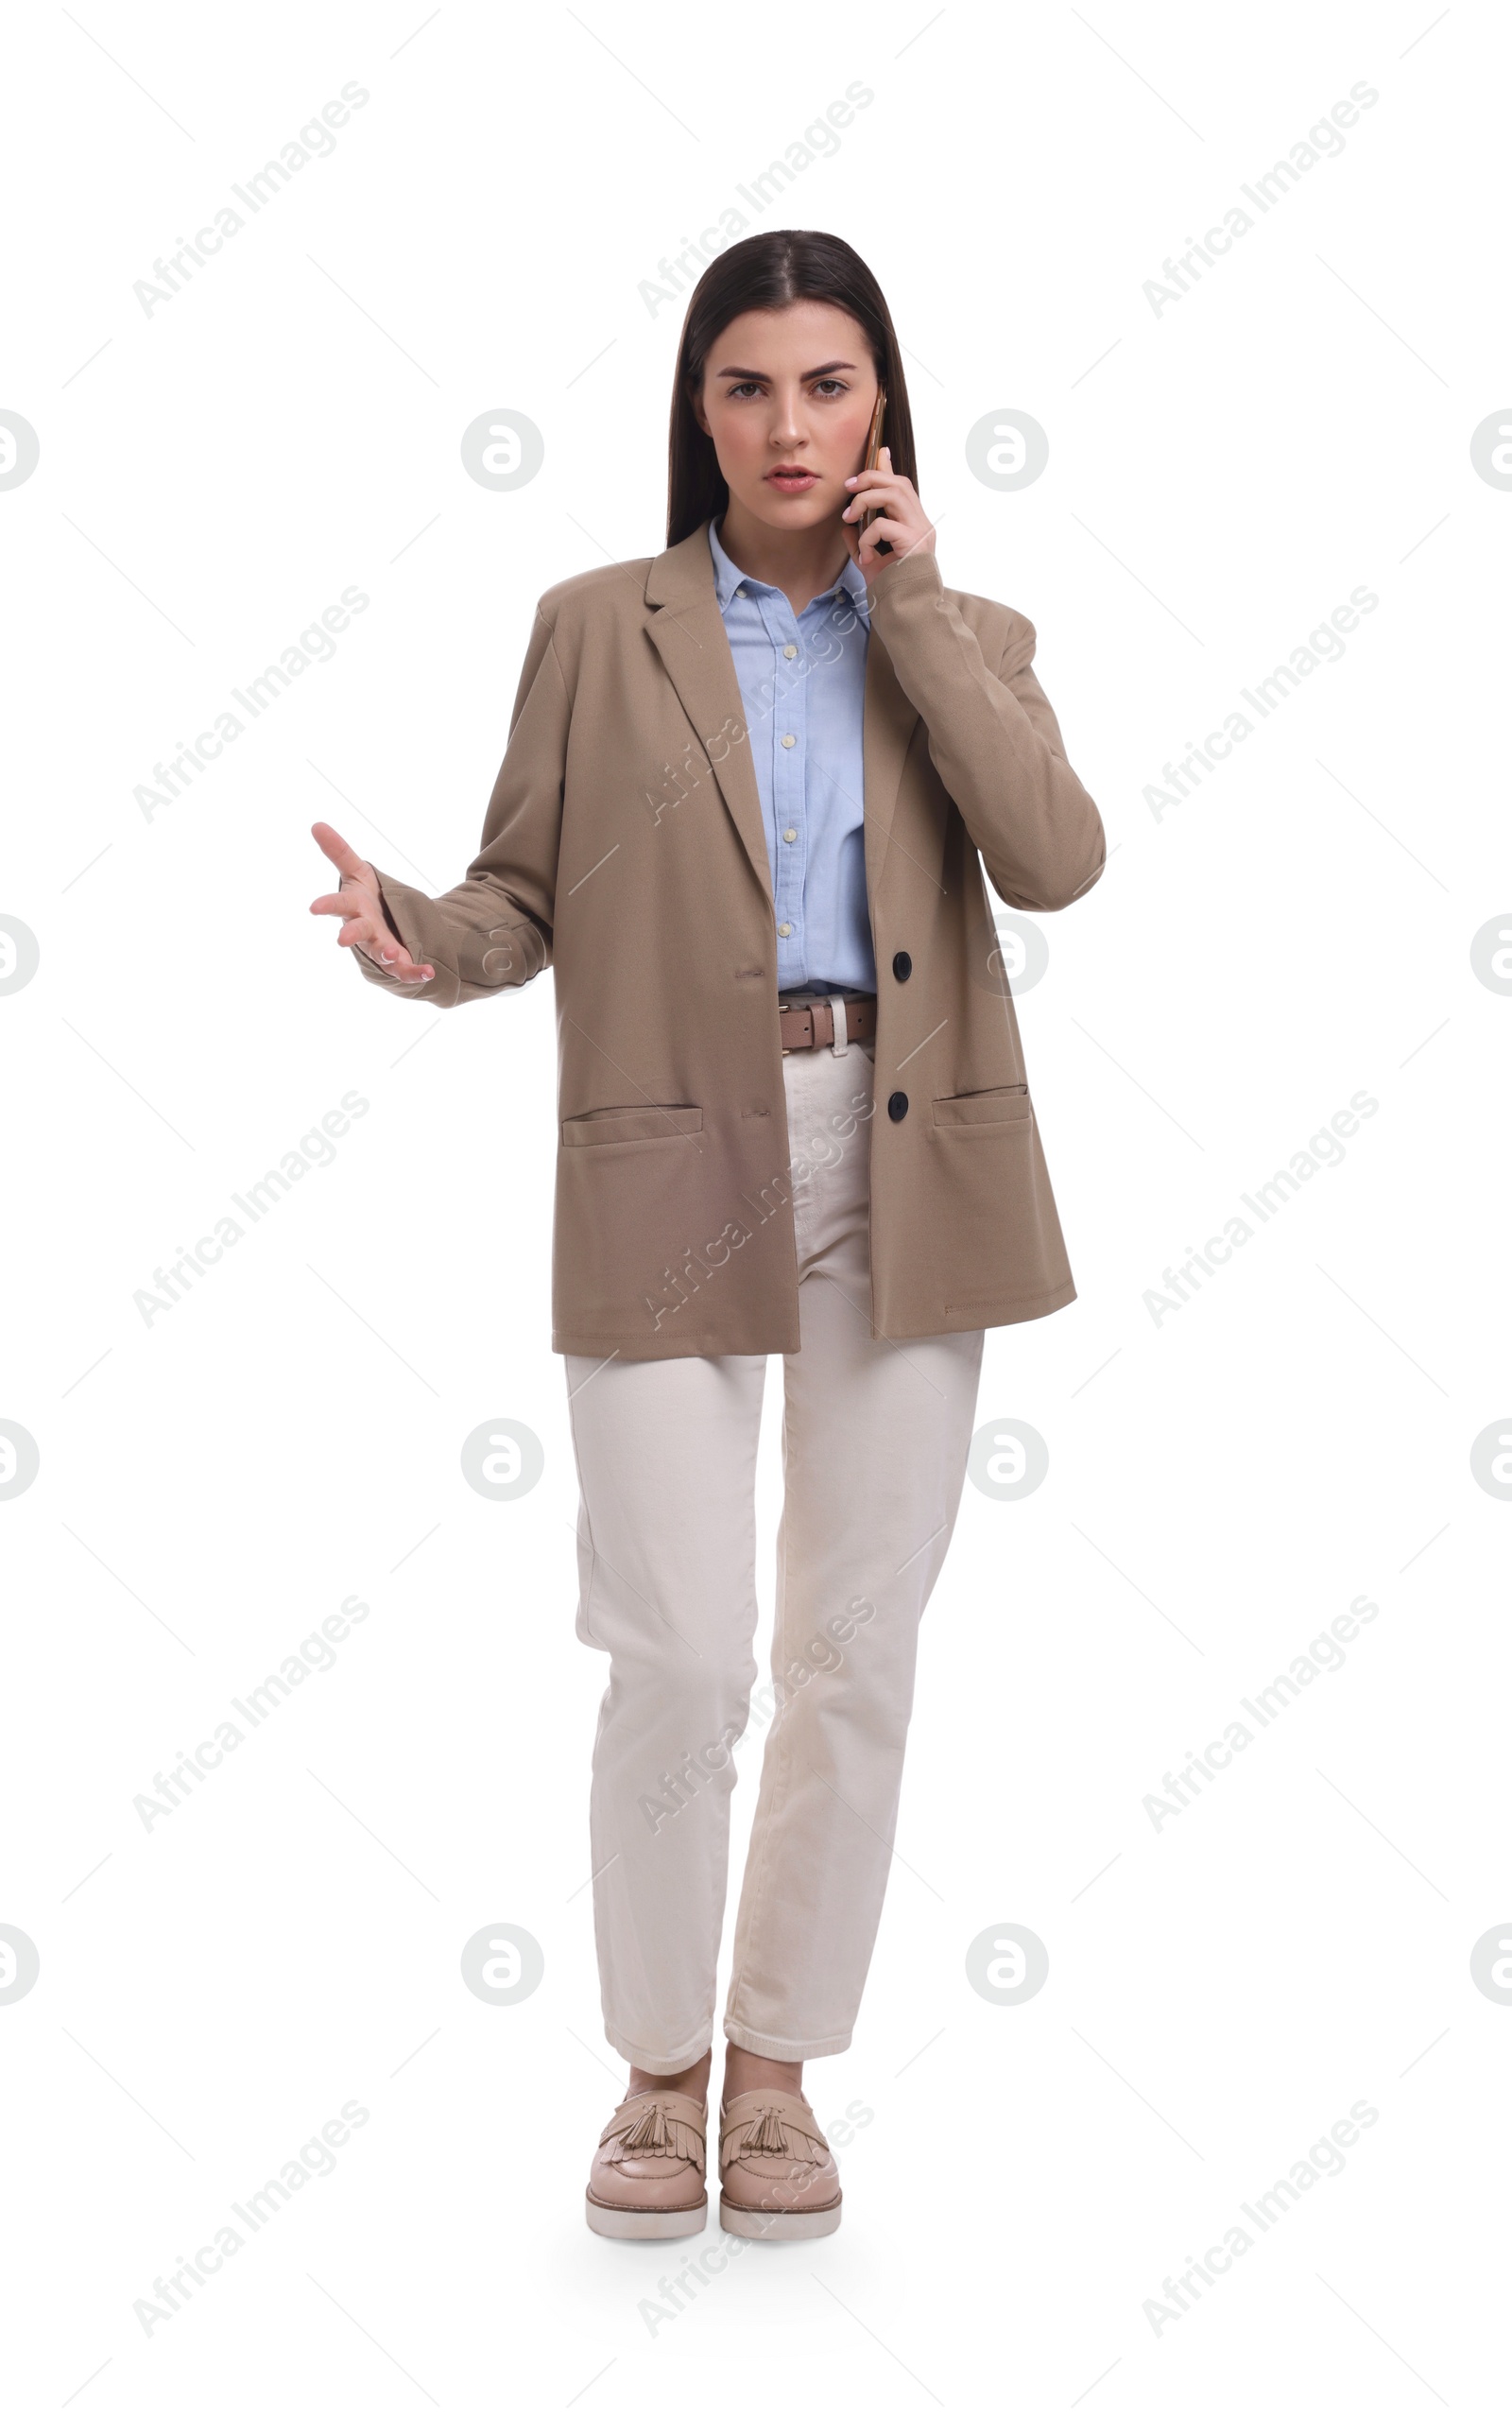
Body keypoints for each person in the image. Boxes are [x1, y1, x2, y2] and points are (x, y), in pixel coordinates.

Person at [310, 228, 1105, 2241]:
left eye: (823, 384)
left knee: (852, 1646)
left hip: (914, 1155)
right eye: (744, 385)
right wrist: (422, 936)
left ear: (882, 408)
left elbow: (1055, 856)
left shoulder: (968, 630)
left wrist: (914, 618)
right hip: (674, 1144)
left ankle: (774, 2077)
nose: (783, 423)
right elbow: (518, 893)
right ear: (698, 407)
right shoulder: (598, 626)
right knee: (673, 1646)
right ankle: (656, 2067)